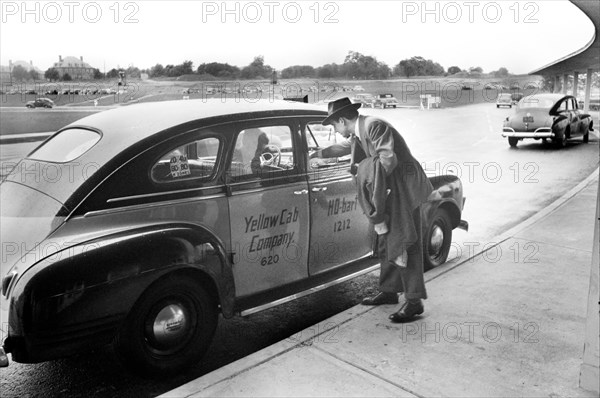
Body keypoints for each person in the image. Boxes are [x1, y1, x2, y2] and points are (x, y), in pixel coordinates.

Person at [311, 97, 433, 323]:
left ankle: (415, 301)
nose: (336, 131)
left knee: (405, 242)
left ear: (342, 120)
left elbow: (387, 159)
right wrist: (320, 153)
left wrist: (368, 178)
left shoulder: (374, 125)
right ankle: (389, 291)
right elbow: (347, 147)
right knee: (386, 240)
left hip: (404, 189)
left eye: (334, 126)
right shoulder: (359, 131)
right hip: (389, 188)